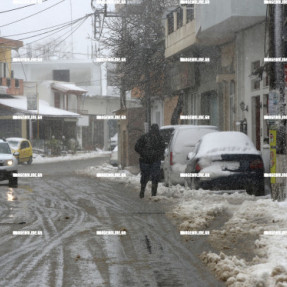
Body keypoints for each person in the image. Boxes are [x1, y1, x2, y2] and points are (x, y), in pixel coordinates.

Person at [135, 124, 165, 198]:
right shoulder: (147, 138)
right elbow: (137, 147)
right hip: (147, 160)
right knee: (149, 176)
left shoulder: (148, 137)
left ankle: (150, 192)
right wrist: (144, 153)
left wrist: (144, 153)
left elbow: (162, 149)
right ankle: (146, 192)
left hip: (150, 160)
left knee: (150, 176)